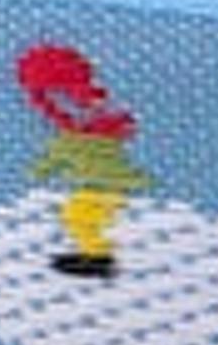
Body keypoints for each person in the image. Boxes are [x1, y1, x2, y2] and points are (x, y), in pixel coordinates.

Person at [19, 42, 146, 275]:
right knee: (79, 216)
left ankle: (99, 257)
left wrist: (38, 171)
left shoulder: (76, 136)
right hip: (108, 186)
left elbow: (54, 158)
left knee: (79, 216)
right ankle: (95, 253)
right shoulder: (92, 128)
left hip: (104, 186)